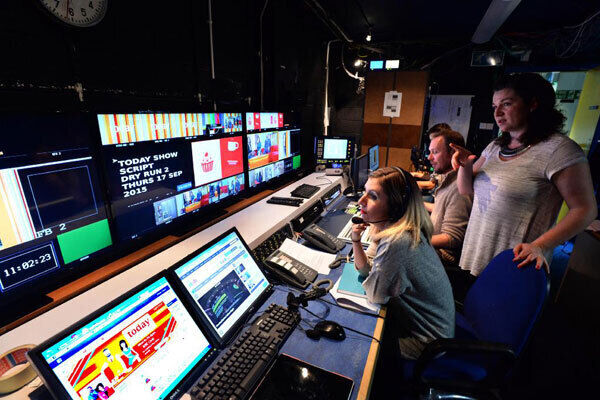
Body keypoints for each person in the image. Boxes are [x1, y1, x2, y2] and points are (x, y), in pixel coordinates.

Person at [452, 73, 597, 275]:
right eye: (495, 106)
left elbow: (585, 209)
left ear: (532, 104)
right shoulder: (494, 147)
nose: (498, 113)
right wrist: (465, 166)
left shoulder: (560, 150)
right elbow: (465, 190)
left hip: (516, 263)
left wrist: (540, 246)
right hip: (475, 254)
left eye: (506, 104)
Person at [351, 167, 454, 360]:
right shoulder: (394, 227)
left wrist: (373, 272)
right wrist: (356, 241)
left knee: (356, 342)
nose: (361, 201)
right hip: (423, 325)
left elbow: (375, 295)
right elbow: (367, 270)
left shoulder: (398, 242)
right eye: (365, 192)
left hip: (426, 342)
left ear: (395, 206)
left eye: (372, 196)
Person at [427, 129, 472, 266]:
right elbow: (444, 208)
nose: (429, 158)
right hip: (433, 251)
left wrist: (414, 241)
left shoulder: (458, 187)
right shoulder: (449, 181)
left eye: (435, 152)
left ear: (453, 153)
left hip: (442, 259)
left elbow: (453, 237)